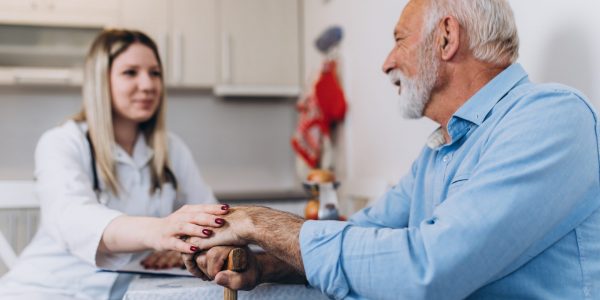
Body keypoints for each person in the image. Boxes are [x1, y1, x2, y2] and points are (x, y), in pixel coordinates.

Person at [182, 0, 600, 299]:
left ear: (447, 37)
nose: (386, 62)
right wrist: (265, 264)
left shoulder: (552, 117)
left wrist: (259, 222)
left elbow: (429, 271)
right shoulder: (440, 150)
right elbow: (367, 237)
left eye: (399, 39)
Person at [0, 29, 229, 300]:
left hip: (129, 291)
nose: (147, 85)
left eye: (154, 73)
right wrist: (159, 232)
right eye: (130, 72)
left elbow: (211, 215)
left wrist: (183, 247)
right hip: (47, 288)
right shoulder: (63, 141)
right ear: (101, 80)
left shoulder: (171, 149)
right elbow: (71, 217)